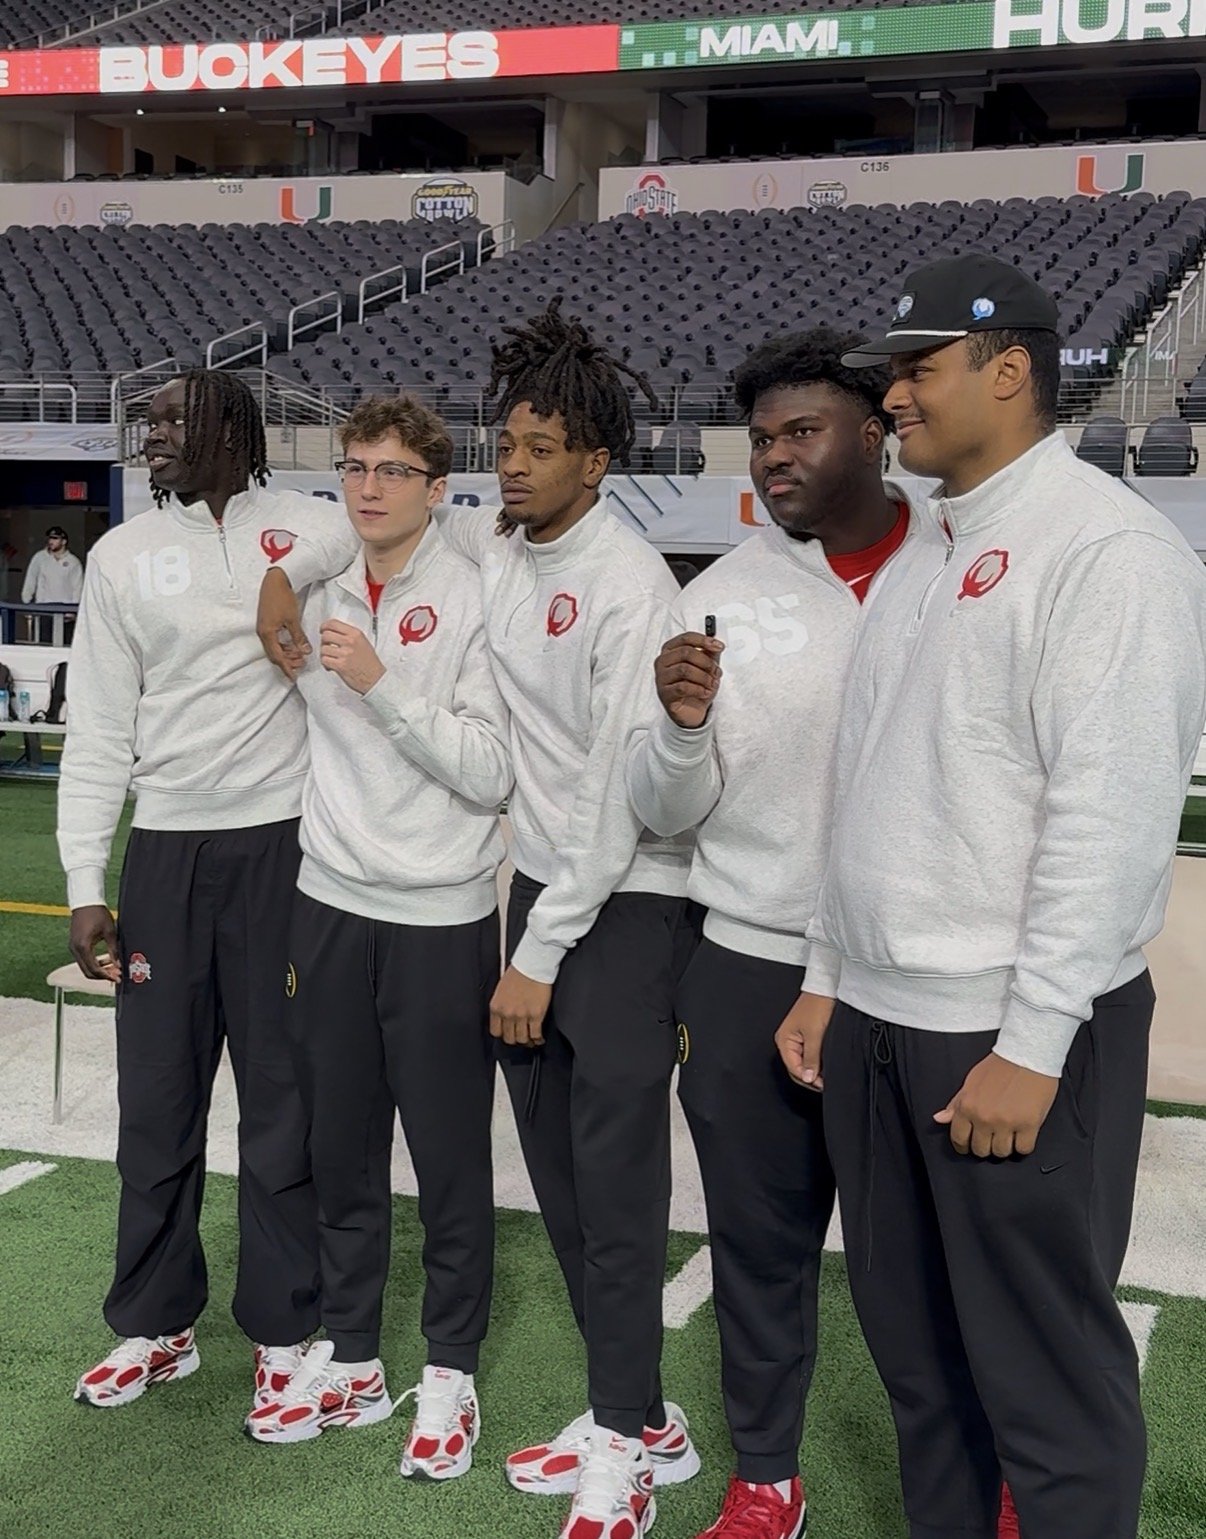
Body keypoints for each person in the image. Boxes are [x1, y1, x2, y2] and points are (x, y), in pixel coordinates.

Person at [776, 254, 1206, 1539]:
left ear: (1008, 370)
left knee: (1048, 1385)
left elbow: (1114, 814)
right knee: (922, 1370)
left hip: (1006, 1036)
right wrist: (827, 976)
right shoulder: (931, 547)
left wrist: (1034, 1041)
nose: (892, 398)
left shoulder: (1109, 547)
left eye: (916, 369)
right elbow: (867, 787)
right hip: (880, 1022)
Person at [258, 301, 699, 1539]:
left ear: (595, 462)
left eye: (539, 444)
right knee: (556, 1191)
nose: (512, 462)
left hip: (597, 914)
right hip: (523, 908)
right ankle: (631, 1415)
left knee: (597, 1198)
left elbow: (603, 796)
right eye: (504, 440)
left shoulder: (623, 583)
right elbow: (328, 526)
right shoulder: (504, 551)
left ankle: (602, 1430)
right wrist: (280, 586)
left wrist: (537, 953)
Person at [627, 327, 917, 1539]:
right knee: (759, 1244)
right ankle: (765, 1478)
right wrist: (682, 729)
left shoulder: (955, 566)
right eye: (763, 439)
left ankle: (974, 1475)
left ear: (876, 433)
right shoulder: (723, 596)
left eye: (805, 431)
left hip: (910, 972)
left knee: (924, 1262)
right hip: (748, 960)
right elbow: (662, 814)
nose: (778, 457)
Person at [58, 369, 355, 1423]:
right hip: (168, 853)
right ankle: (156, 1325)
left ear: (237, 426)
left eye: (175, 419)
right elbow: (97, 725)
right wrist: (85, 881)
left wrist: (289, 568)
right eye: (148, 422)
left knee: (282, 1103)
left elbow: (355, 534)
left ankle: (285, 1331)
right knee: (159, 1102)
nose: (154, 437)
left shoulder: (306, 524)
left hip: (284, 848)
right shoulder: (123, 554)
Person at [245, 395, 511, 1475]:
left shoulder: (479, 589)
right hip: (329, 905)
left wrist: (382, 685)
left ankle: (449, 1370)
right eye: (354, 467)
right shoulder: (322, 582)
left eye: (394, 470)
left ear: (439, 488)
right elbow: (296, 541)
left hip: (441, 917)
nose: (367, 486)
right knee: (338, 1151)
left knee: (449, 1162)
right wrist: (280, 581)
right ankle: (353, 1352)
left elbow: (494, 771)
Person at [22, 525, 83, 606]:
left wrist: (74, 609)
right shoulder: (40, 557)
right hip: (43, 607)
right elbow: (30, 579)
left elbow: (78, 588)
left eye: (55, 538)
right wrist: (26, 602)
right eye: (50, 538)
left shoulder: (73, 562)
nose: (51, 541)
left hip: (64, 609)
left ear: (64, 541)